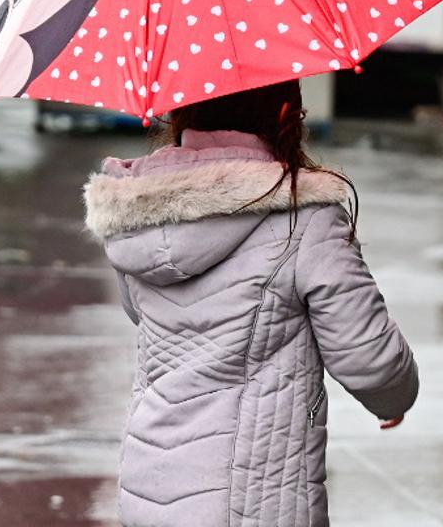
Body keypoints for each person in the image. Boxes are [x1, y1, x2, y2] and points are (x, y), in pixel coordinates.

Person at [84, 79, 419, 527]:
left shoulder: (137, 211)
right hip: (254, 499)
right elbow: (369, 358)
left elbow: (140, 313)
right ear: (283, 116)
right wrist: (393, 398)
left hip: (149, 487)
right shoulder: (303, 216)